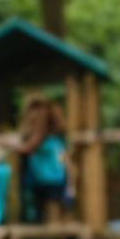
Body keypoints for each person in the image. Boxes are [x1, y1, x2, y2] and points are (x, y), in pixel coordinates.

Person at [18, 94, 69, 224]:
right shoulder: (46, 135)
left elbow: (31, 147)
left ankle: (55, 233)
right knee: (43, 210)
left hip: (52, 179)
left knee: (52, 210)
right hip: (42, 179)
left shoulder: (48, 138)